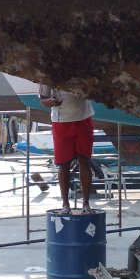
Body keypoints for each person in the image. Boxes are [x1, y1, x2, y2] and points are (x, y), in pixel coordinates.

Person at [38, 84, 95, 213]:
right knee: (63, 164)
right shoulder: (46, 75)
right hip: (61, 122)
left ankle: (86, 204)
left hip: (84, 119)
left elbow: (94, 93)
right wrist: (51, 101)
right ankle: (65, 204)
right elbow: (43, 100)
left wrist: (86, 92)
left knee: (84, 160)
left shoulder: (83, 74)